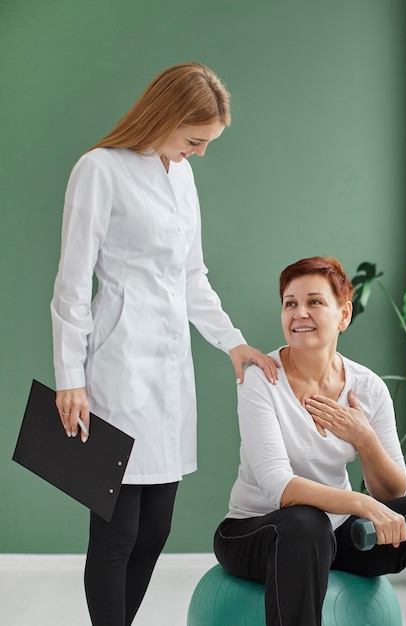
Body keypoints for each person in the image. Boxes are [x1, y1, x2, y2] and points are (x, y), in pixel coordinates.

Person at [50, 62, 279, 626]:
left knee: (156, 527)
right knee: (117, 529)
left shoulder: (181, 175)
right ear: (167, 116)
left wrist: (233, 343)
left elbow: (191, 275)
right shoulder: (99, 170)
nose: (200, 152)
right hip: (115, 367)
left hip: (170, 372)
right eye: (195, 140)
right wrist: (69, 377)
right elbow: (72, 285)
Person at [214, 256, 406, 626]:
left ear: (343, 315)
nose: (299, 313)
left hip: (333, 534)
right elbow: (278, 487)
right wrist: (360, 503)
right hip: (255, 530)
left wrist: (364, 439)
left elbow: (393, 491)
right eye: (290, 303)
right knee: (306, 524)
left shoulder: (367, 387)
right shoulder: (262, 378)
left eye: (314, 302)